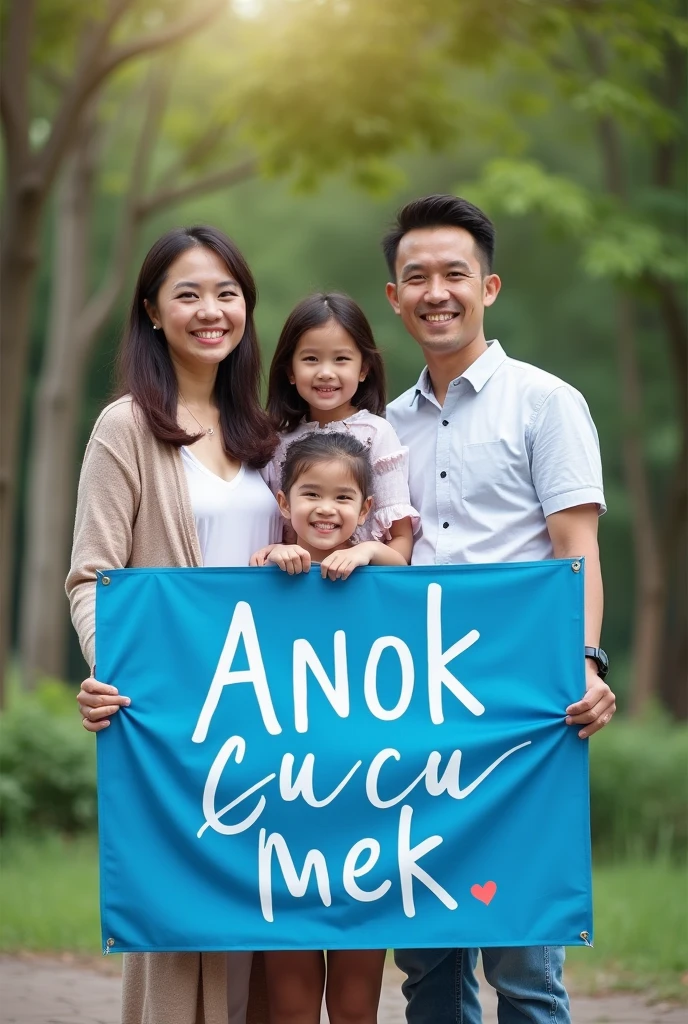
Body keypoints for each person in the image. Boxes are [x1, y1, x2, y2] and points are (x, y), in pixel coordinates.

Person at [382, 194, 616, 1024]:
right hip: (409, 707)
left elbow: (575, 549)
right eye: (417, 277)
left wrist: (586, 663)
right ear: (394, 297)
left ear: (490, 287)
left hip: (521, 712)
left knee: (523, 965)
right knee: (429, 969)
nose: (436, 292)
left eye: (455, 274)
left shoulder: (546, 402)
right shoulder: (381, 428)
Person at [66, 225, 280, 1024]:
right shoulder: (126, 428)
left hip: (276, 718)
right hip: (179, 719)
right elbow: (92, 575)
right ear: (153, 312)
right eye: (188, 294)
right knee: (185, 931)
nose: (210, 310)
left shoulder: (268, 431)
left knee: (271, 932)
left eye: (227, 293)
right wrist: (113, 669)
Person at [252, 430, 400, 1022]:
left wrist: (368, 552)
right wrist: (274, 558)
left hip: (366, 822)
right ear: (283, 503)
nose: (326, 509)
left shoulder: (382, 577)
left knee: (356, 1002)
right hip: (284, 825)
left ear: (366, 511)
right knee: (289, 1000)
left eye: (343, 499)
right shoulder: (263, 574)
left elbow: (400, 559)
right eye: (310, 494)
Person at [261, 292, 419, 565]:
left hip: (361, 590)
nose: (325, 372)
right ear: (290, 371)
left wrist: (365, 551)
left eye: (341, 359)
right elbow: (276, 531)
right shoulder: (277, 441)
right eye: (311, 359)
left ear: (363, 369)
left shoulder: (376, 434)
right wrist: (274, 552)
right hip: (294, 589)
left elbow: (401, 541)